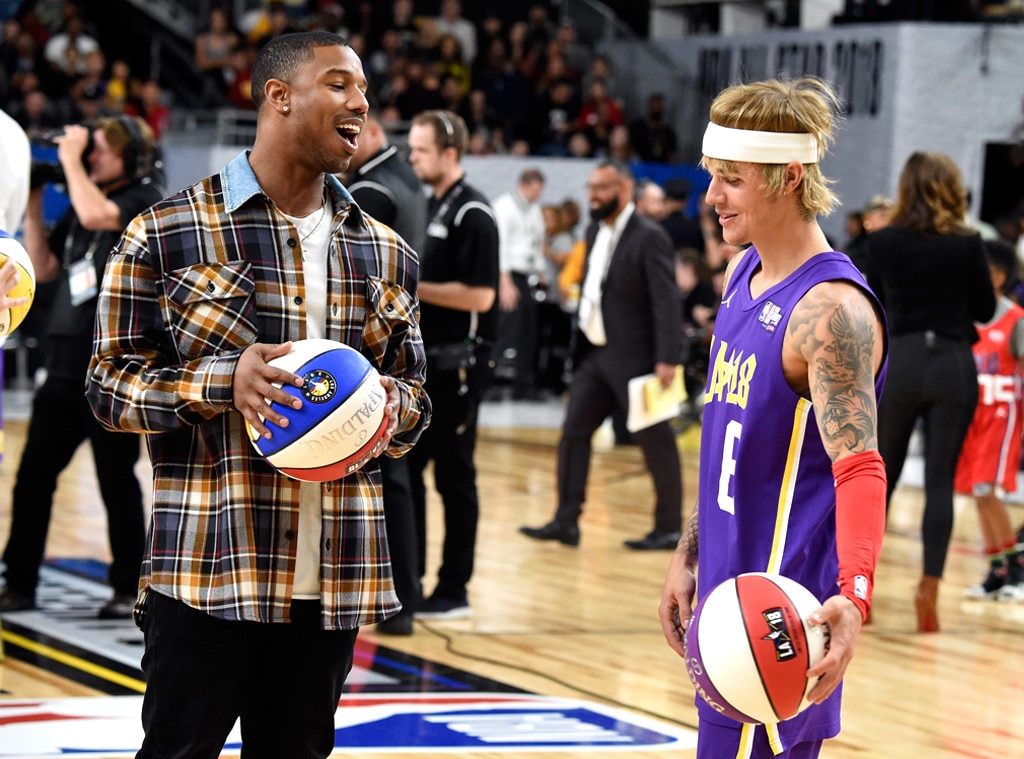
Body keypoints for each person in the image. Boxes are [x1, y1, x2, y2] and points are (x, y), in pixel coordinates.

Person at [84, 32, 429, 757]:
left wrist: (380, 408)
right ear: (278, 96)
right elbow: (107, 385)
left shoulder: (386, 249)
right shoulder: (166, 231)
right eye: (339, 84)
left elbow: (417, 396)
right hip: (209, 572)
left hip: (333, 582)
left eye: (363, 89)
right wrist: (222, 382)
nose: (360, 102)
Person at [658, 78, 889, 758]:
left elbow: (862, 465)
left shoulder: (829, 312)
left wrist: (856, 595)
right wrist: (691, 547)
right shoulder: (742, 273)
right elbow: (731, 439)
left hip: (777, 623)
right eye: (712, 177)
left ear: (789, 177)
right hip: (722, 602)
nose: (711, 198)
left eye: (730, 180)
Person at [0, 115, 161, 619]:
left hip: (112, 371)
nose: (92, 158)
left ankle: (126, 587)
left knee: (116, 481)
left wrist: (69, 160)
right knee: (33, 478)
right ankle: (19, 582)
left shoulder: (143, 198)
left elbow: (97, 218)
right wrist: (32, 198)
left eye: (102, 151)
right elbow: (45, 268)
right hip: (65, 365)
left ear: (131, 157)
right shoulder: (81, 198)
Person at [859, 151, 995, 632]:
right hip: (953, 364)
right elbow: (983, 308)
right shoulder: (968, 242)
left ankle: (862, 591)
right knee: (940, 481)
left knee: (882, 478)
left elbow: (866, 301)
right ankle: (928, 590)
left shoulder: (884, 241)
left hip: (902, 361)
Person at [520, 159, 684, 550]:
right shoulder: (594, 230)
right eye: (591, 188)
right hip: (596, 354)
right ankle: (566, 520)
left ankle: (669, 527)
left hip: (638, 359)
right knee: (574, 433)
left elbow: (666, 301)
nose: (592, 195)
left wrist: (668, 356)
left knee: (655, 441)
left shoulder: (649, 235)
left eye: (602, 189)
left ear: (624, 190)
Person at [406, 109, 499, 619]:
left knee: (455, 476)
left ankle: (454, 587)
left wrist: (413, 288)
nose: (413, 158)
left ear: (450, 153)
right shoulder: (431, 204)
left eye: (421, 150)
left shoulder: (473, 213)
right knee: (413, 470)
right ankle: (412, 581)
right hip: (428, 363)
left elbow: (482, 297)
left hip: (460, 365)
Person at [343, 103, 428, 636]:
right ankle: (406, 595)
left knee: (389, 478)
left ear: (374, 133)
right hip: (403, 339)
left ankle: (398, 601)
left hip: (375, 343)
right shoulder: (408, 180)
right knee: (399, 478)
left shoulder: (374, 191)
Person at [954, 238, 1024, 600]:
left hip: (1002, 414)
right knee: (977, 495)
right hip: (973, 414)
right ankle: (997, 570)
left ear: (998, 276)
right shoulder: (967, 316)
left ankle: (1016, 568)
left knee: (987, 490)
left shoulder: (1016, 320)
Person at [492, 167, 546, 400]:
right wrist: (504, 281)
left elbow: (536, 242)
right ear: (523, 185)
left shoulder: (533, 210)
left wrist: (541, 270)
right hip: (507, 275)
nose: (537, 195)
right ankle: (489, 383)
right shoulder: (504, 207)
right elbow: (499, 245)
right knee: (505, 330)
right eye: (534, 190)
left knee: (528, 332)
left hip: (525, 276)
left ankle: (523, 386)